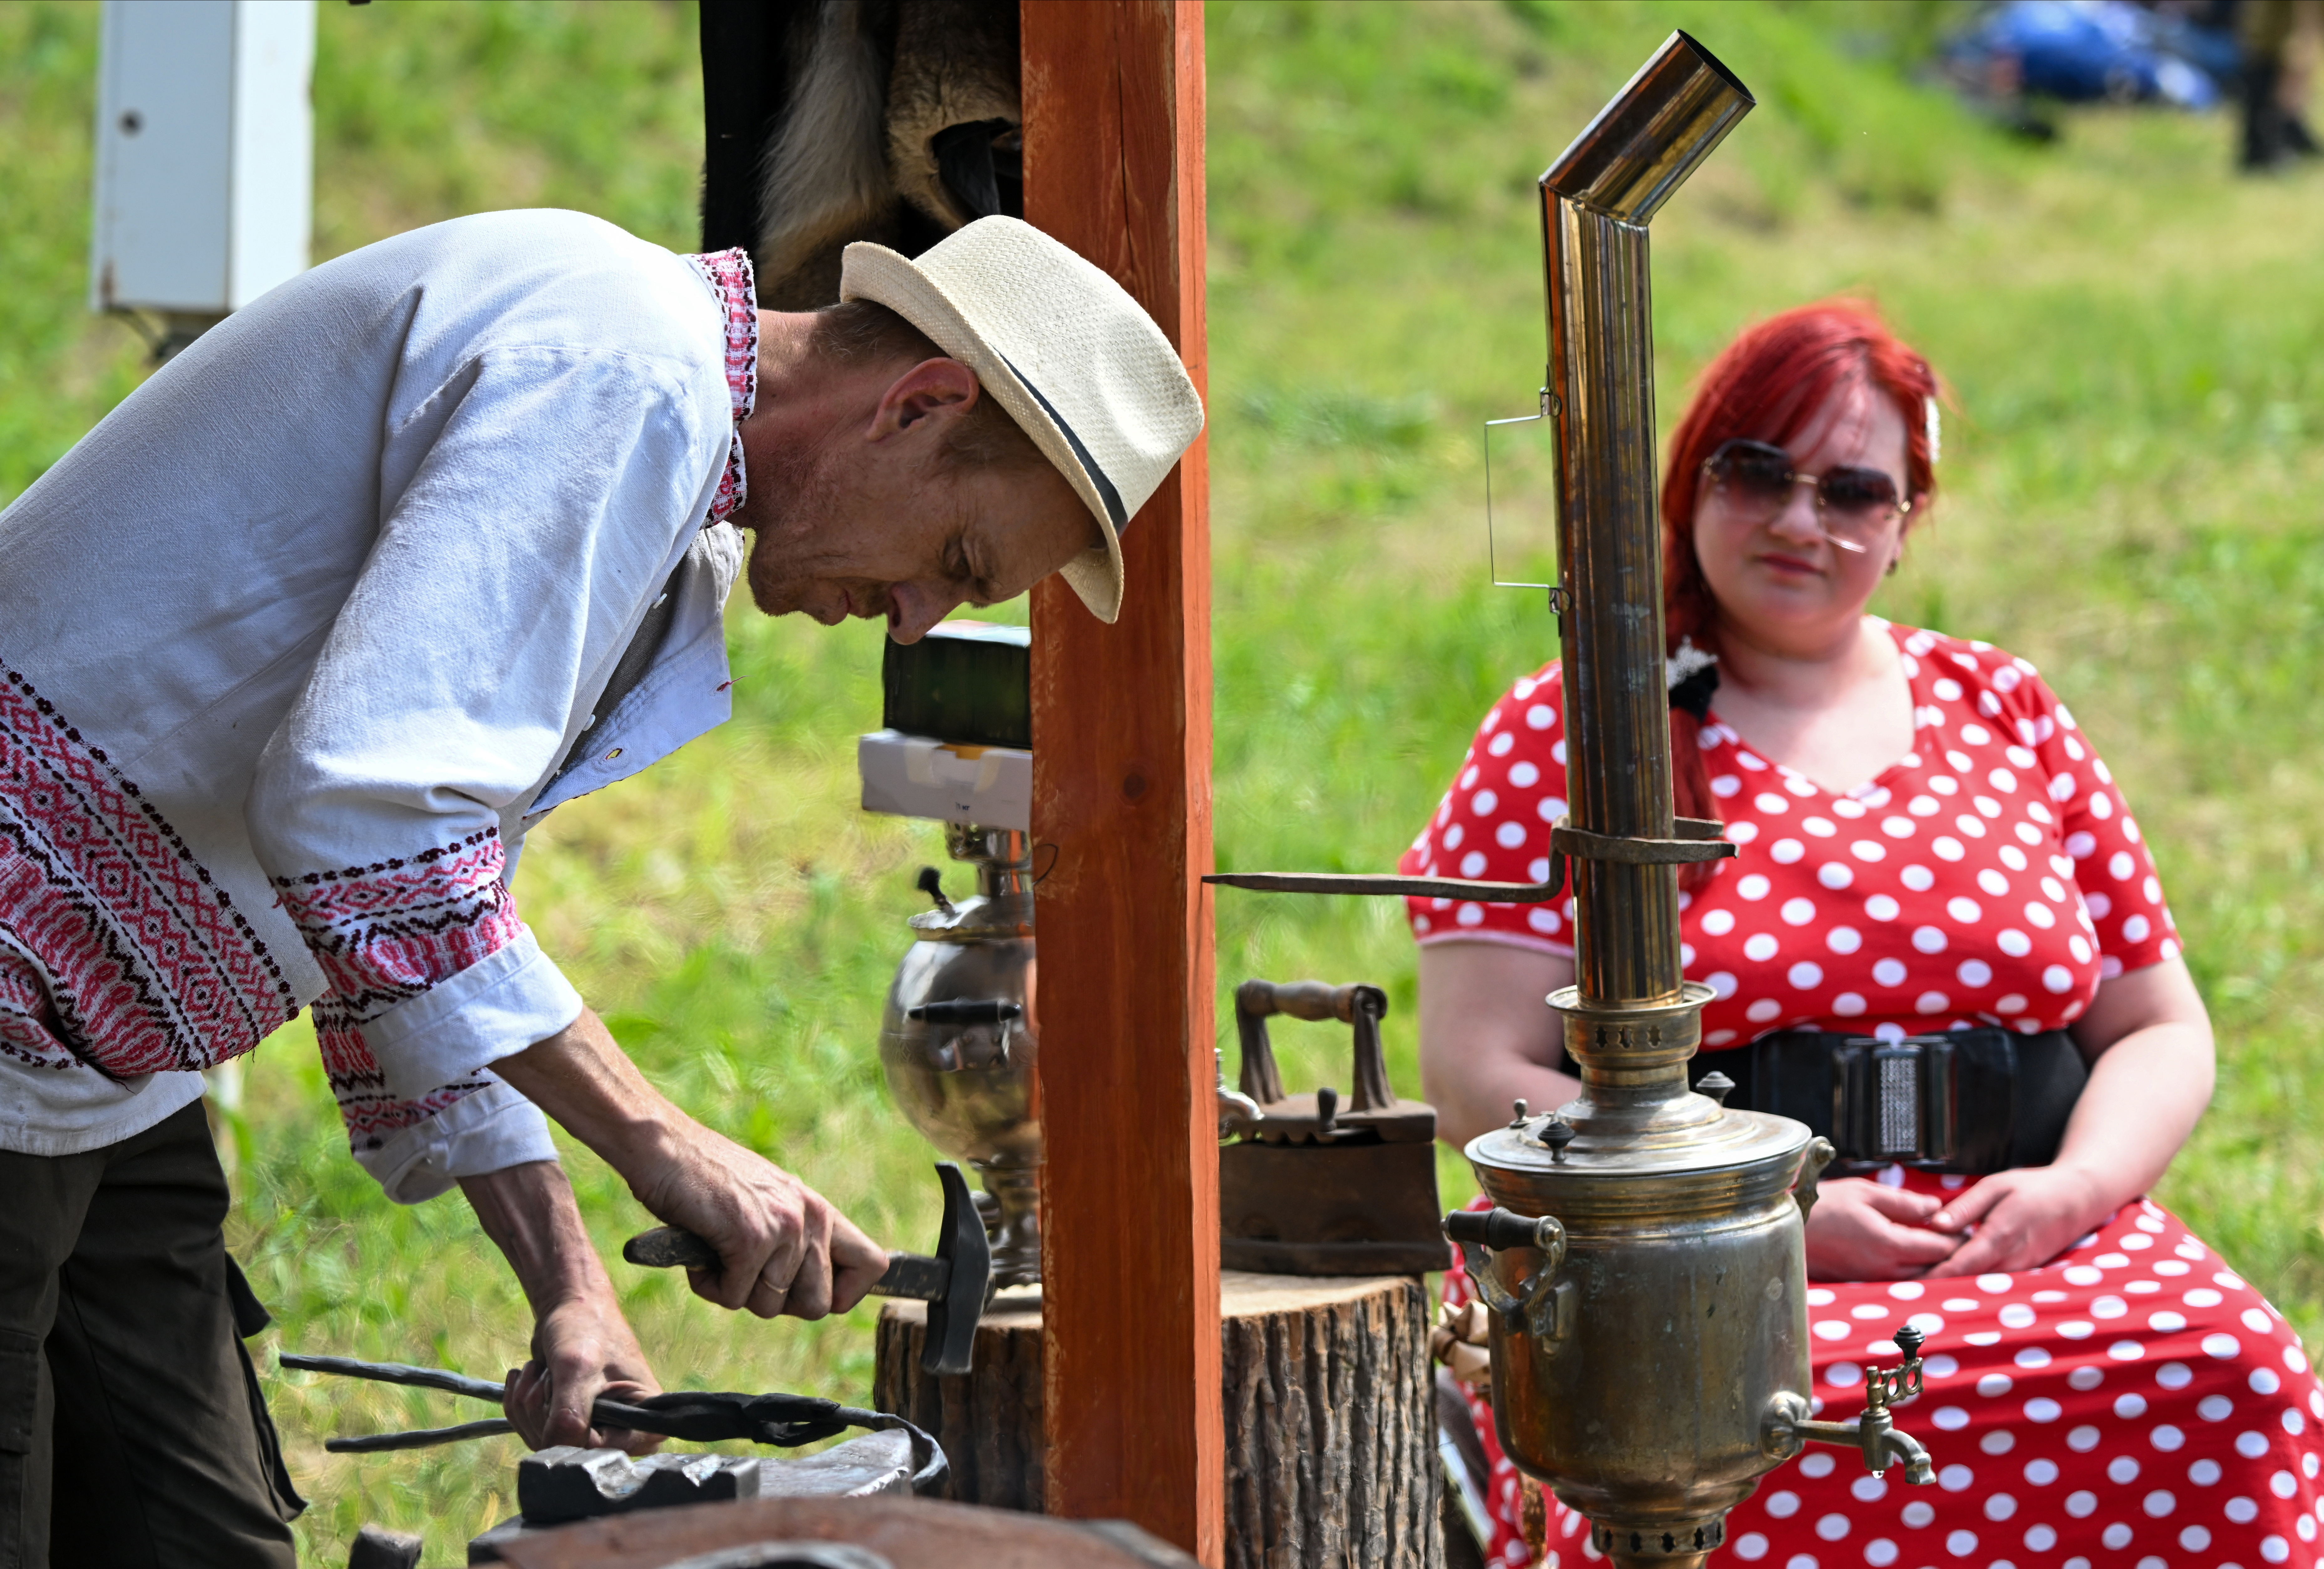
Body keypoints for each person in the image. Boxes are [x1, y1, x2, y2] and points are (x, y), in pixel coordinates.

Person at [0, 207, 1201, 1564]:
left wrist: (568, 1278)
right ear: (919, 404)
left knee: (201, 1539)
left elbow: (415, 918)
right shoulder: (621, 372)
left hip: (98, 1070)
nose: (919, 615)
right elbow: (366, 817)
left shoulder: (669, 492)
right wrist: (661, 1140)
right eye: (959, 559)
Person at [1403, 301, 2323, 1569]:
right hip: (1692, 1265)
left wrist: (2076, 1190)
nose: (1798, 519)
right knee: (1721, 1446)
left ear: (1903, 527)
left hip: (2031, 1235)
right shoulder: (1569, 728)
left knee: (2234, 1380)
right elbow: (1470, 1072)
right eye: (1756, 471)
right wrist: (1770, 1211)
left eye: (1850, 490)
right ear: (1691, 481)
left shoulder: (2002, 706)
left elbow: (2158, 1024)